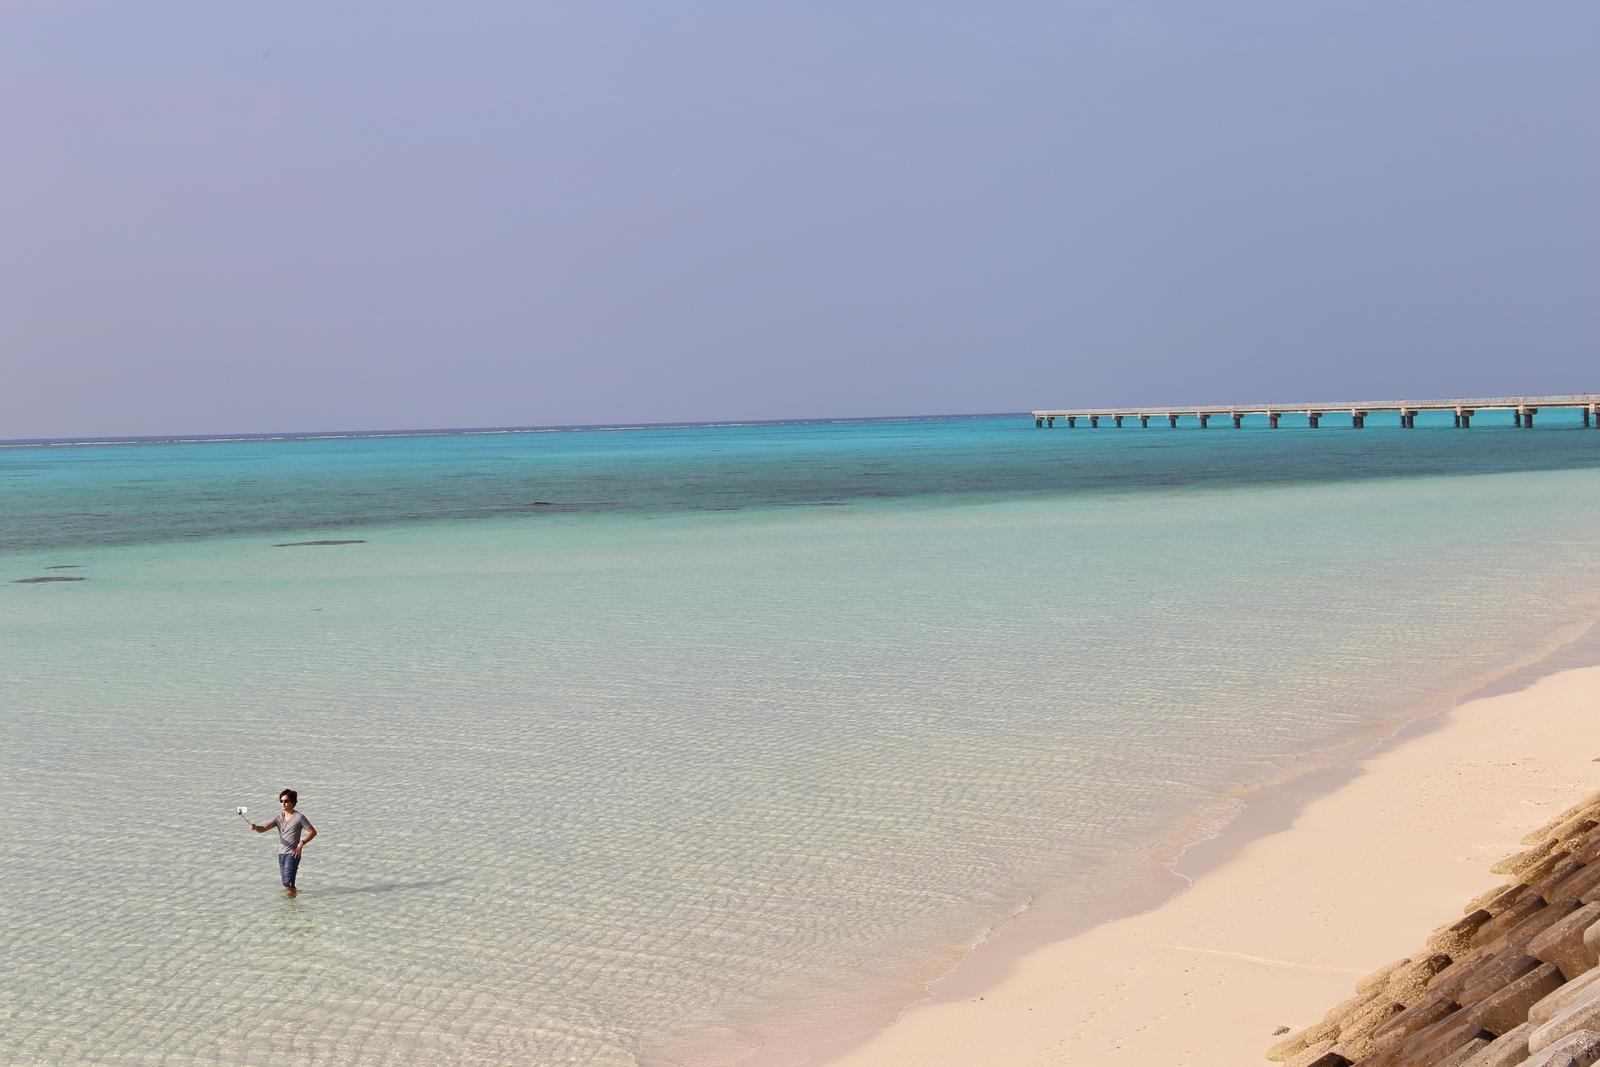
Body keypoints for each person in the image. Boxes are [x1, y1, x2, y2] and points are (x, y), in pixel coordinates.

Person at [249, 788, 317, 897]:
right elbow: (264, 828)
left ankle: (290, 907)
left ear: (293, 802)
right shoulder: (279, 817)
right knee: (287, 884)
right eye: (281, 801)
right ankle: (294, 899)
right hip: (281, 854)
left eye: (286, 801)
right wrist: (256, 827)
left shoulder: (299, 817)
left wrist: (301, 843)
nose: (283, 803)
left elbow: (313, 832)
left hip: (293, 854)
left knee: (288, 884)